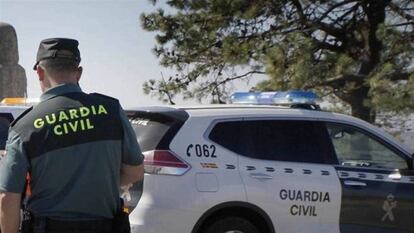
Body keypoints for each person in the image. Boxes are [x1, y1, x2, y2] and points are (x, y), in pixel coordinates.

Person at [0, 38, 144, 233]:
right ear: (79, 73)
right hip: (105, 226)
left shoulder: (25, 126)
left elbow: (8, 196)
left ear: (40, 72)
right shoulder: (111, 110)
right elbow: (135, 172)